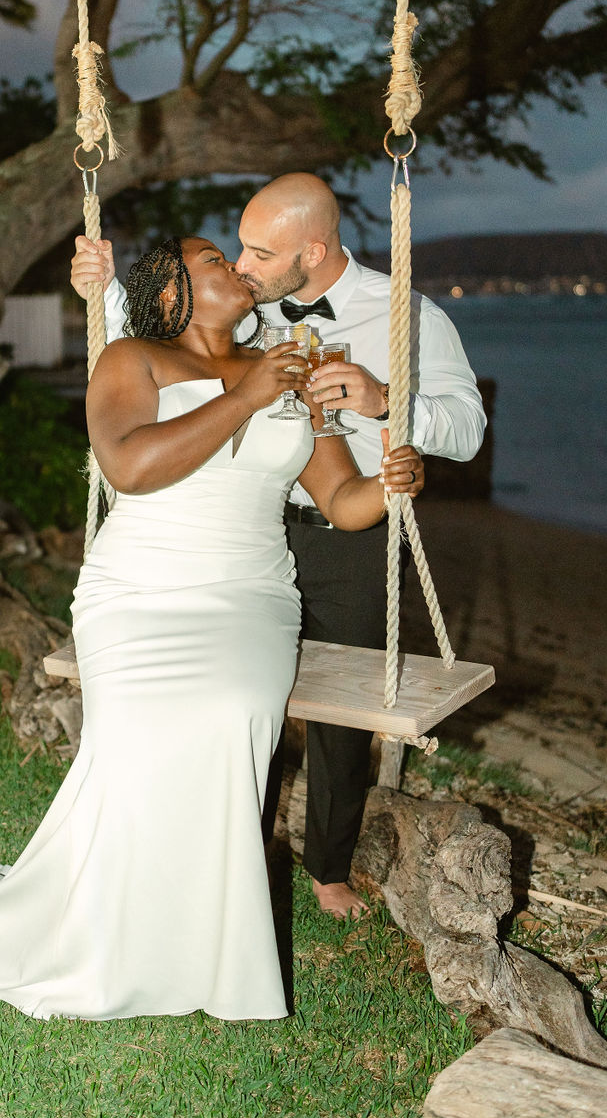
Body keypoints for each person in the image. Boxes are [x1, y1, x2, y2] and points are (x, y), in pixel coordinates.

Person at [0, 236, 424, 1021]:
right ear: (172, 290)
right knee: (139, 739)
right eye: (214, 257)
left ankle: (212, 953)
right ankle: (108, 931)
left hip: (250, 596)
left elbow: (340, 500)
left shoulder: (292, 365)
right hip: (139, 592)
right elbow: (130, 467)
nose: (235, 265)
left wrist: (394, 482)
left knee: (235, 717)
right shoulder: (132, 360)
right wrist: (246, 398)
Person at [71, 174, 485, 920]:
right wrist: (101, 288)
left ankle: (326, 864)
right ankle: (236, 849)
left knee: (335, 718)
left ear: (313, 251)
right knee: (237, 712)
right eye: (233, 251)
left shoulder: (406, 316)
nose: (244, 264)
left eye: (259, 253)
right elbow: (159, 339)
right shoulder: (250, 331)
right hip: (231, 543)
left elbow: (465, 429)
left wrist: (387, 407)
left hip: (334, 538)